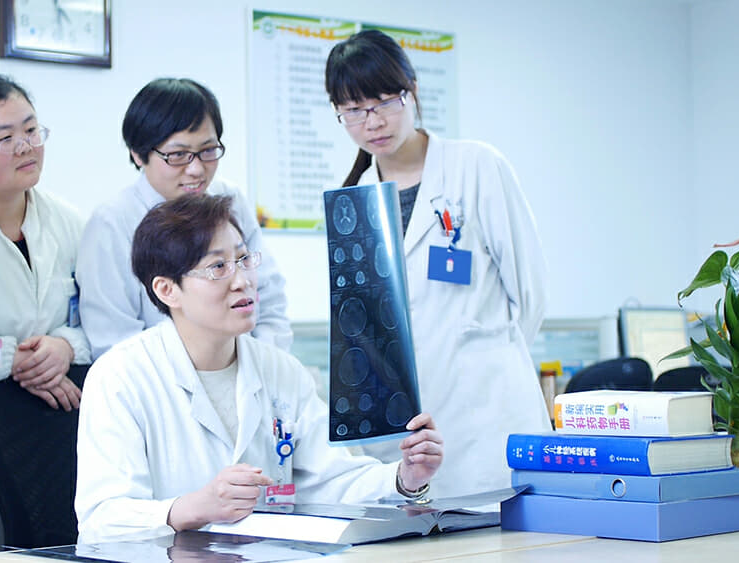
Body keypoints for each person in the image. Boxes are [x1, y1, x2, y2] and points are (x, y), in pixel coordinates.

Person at [75, 194, 443, 544]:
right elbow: (102, 519)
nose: (243, 280)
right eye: (218, 267)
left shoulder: (281, 370)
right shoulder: (120, 377)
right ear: (167, 290)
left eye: (243, 259)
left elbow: (330, 478)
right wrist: (191, 508)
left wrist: (405, 477)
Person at [324, 30, 550, 498]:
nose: (373, 122)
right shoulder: (354, 200)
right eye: (354, 110)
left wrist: (484, 358)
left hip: (488, 413)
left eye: (385, 102)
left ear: (412, 90)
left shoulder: (476, 166)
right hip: (409, 433)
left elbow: (530, 293)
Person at [0, 73, 91, 555]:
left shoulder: (70, 223)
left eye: (31, 129)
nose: (26, 146)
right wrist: (14, 359)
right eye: (5, 137)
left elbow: (100, 321)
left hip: (55, 430)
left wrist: (64, 346)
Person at [77, 78, 292, 360]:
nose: (196, 169)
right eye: (178, 155)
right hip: (157, 380)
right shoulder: (112, 223)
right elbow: (114, 340)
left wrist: (262, 367)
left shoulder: (229, 199)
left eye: (208, 151)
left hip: (246, 369)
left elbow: (269, 297)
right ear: (138, 154)